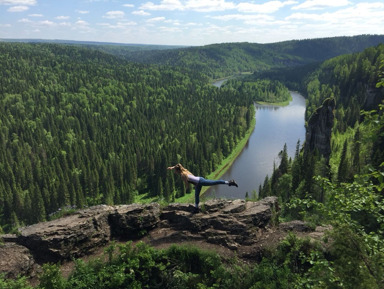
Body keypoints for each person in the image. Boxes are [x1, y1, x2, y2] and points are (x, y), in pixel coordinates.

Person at [167, 163, 238, 212]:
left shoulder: (183, 175)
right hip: (198, 182)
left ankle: (229, 182)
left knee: (214, 182)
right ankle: (196, 208)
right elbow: (179, 165)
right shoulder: (184, 170)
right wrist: (172, 167)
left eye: (175, 171)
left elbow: (187, 184)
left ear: (178, 170)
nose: (174, 172)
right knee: (196, 195)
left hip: (200, 182)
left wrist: (186, 190)